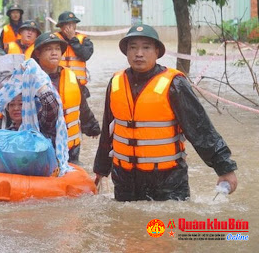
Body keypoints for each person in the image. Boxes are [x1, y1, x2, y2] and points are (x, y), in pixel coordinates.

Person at [93, 24, 238, 201]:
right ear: (126, 52)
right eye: (133, 47)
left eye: (146, 47)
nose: (139, 53)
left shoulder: (175, 84)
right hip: (125, 180)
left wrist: (225, 168)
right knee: (126, 226)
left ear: (157, 52)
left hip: (167, 180)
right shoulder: (116, 82)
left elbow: (200, 129)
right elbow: (108, 131)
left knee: (169, 227)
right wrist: (101, 170)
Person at [32, 32, 101, 163]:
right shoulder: (30, 80)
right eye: (48, 49)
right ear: (37, 54)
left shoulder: (71, 76)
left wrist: (92, 126)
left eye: (57, 49)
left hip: (71, 149)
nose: (54, 53)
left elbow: (82, 107)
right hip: (42, 151)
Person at [54, 11, 94, 88]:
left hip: (78, 85)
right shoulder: (53, 40)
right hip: (58, 84)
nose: (71, 27)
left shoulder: (84, 40)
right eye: (67, 24)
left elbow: (85, 55)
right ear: (61, 26)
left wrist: (73, 39)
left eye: (73, 24)